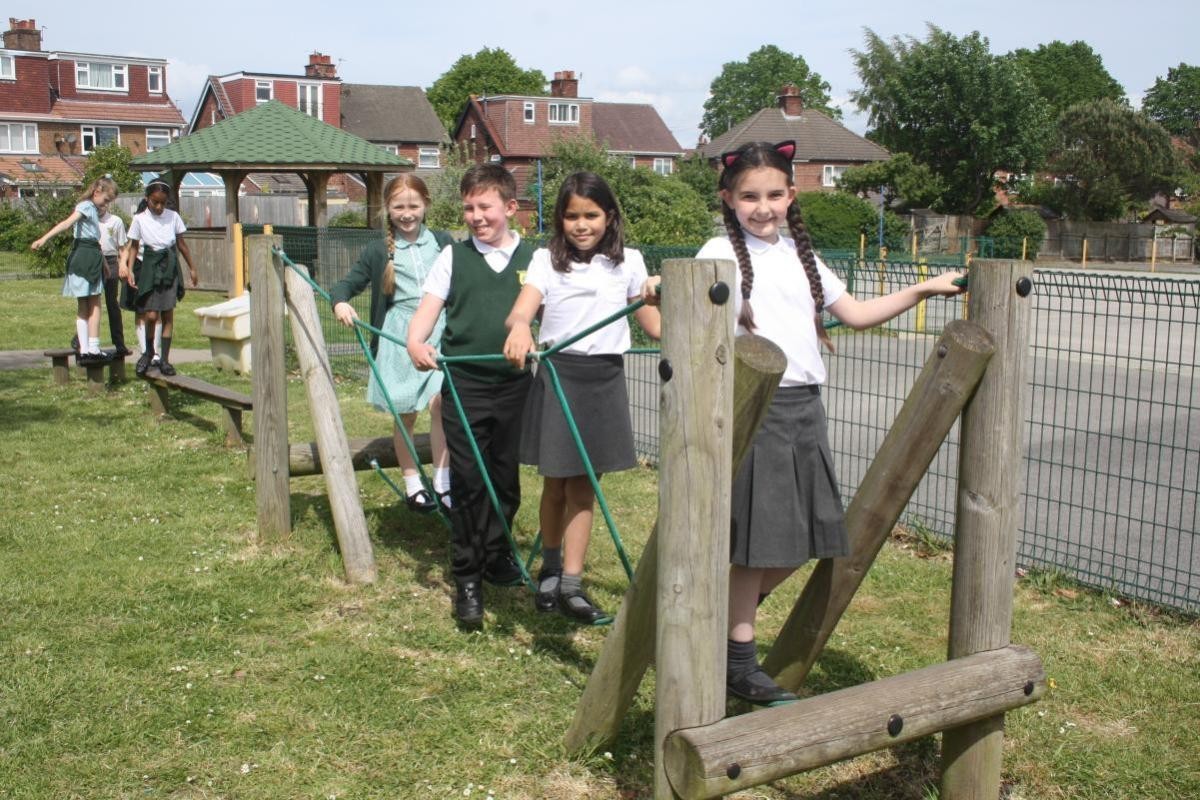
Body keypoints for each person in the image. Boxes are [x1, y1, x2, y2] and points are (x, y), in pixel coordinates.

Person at [697, 140, 965, 705]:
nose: (762, 206)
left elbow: (857, 315)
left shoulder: (802, 255)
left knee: (806, 538)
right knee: (758, 545)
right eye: (749, 196)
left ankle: (717, 619)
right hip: (755, 407)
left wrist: (921, 287)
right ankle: (737, 658)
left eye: (774, 194)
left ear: (792, 195)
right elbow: (694, 318)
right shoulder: (716, 252)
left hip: (804, 407)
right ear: (728, 198)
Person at [502, 172, 661, 625]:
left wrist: (668, 299)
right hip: (558, 375)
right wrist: (518, 327)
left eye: (591, 215)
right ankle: (550, 569)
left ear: (609, 217)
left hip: (603, 380)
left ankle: (572, 584)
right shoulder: (545, 261)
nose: (581, 224)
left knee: (584, 486)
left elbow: (653, 326)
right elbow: (522, 308)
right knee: (556, 482)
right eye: (572, 215)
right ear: (560, 219)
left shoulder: (629, 262)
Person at [407, 164, 534, 629]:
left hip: (516, 386)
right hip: (465, 387)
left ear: (510, 208)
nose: (476, 216)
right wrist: (416, 342)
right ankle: (467, 578)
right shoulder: (453, 258)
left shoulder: (535, 259)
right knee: (469, 483)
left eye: (485, 207)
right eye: (468, 208)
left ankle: (497, 555)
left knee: (505, 479)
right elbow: (425, 315)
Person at [330, 175, 454, 514]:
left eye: (414, 206)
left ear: (426, 204)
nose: (407, 213)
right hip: (399, 337)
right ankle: (414, 484)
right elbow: (346, 284)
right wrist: (339, 302)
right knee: (406, 416)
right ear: (387, 209)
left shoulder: (443, 243)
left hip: (440, 332)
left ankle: (444, 483)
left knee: (442, 405)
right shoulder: (378, 250)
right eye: (399, 207)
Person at [30, 176, 118, 365]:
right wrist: (44, 239)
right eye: (106, 200)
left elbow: (95, 241)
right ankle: (92, 348)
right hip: (85, 258)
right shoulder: (86, 207)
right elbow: (67, 224)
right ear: (97, 192)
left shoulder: (92, 209)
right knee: (93, 304)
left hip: (90, 256)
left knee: (84, 305)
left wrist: (103, 263)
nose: (106, 205)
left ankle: (85, 349)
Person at [121, 180, 197, 377]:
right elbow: (135, 246)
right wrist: (129, 270)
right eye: (155, 202)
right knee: (151, 315)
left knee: (167, 314)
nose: (159, 207)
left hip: (169, 265)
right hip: (150, 265)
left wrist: (192, 268)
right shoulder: (139, 219)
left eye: (163, 203)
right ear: (147, 199)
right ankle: (148, 353)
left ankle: (165, 359)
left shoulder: (173, 217)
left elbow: (181, 244)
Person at [98, 203, 131, 357]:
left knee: (112, 304)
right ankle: (82, 342)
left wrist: (123, 264)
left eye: (104, 204)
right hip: (94, 260)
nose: (100, 207)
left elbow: (122, 248)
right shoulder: (88, 220)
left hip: (111, 261)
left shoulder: (116, 221)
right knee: (89, 305)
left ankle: (119, 344)